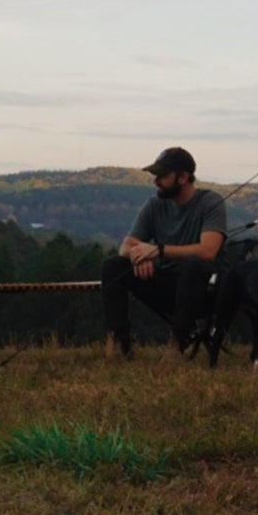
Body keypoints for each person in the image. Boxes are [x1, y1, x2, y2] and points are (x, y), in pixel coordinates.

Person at [101, 146, 227, 358]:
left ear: (183, 177)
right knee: (113, 266)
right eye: (155, 175)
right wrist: (138, 256)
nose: (156, 181)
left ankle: (177, 343)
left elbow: (208, 251)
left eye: (162, 175)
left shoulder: (211, 203)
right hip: (164, 284)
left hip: (202, 290)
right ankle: (121, 343)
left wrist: (158, 251)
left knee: (194, 264)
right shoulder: (155, 205)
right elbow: (126, 246)